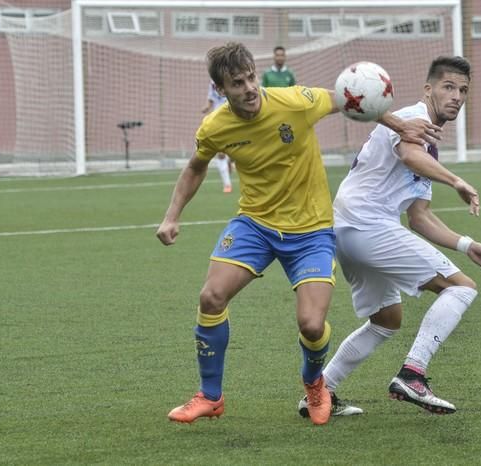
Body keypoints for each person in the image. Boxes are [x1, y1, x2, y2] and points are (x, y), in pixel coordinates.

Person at [156, 42, 441, 426]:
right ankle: (210, 396)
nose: (249, 88)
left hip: (311, 232)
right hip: (254, 225)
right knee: (211, 297)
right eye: (237, 83)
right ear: (220, 91)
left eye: (250, 78)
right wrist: (172, 216)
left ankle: (315, 384)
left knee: (310, 324)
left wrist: (402, 125)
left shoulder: (296, 101)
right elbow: (195, 167)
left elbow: (351, 99)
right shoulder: (215, 127)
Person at [298, 56, 481, 418]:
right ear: (428, 89)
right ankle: (413, 374)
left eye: (463, 90)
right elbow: (410, 155)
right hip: (367, 225)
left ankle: (321, 393)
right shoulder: (415, 118)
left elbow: (419, 217)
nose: (456, 96)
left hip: (349, 230)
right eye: (448, 87)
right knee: (461, 288)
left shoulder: (428, 138)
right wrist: (456, 180)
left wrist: (467, 244)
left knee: (387, 320)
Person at [202, 80, 233, 193]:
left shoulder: (231, 78)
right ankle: (227, 184)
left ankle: (230, 158)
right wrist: (207, 108)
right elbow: (211, 98)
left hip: (233, 117)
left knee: (232, 150)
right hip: (218, 118)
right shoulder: (212, 82)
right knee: (220, 153)